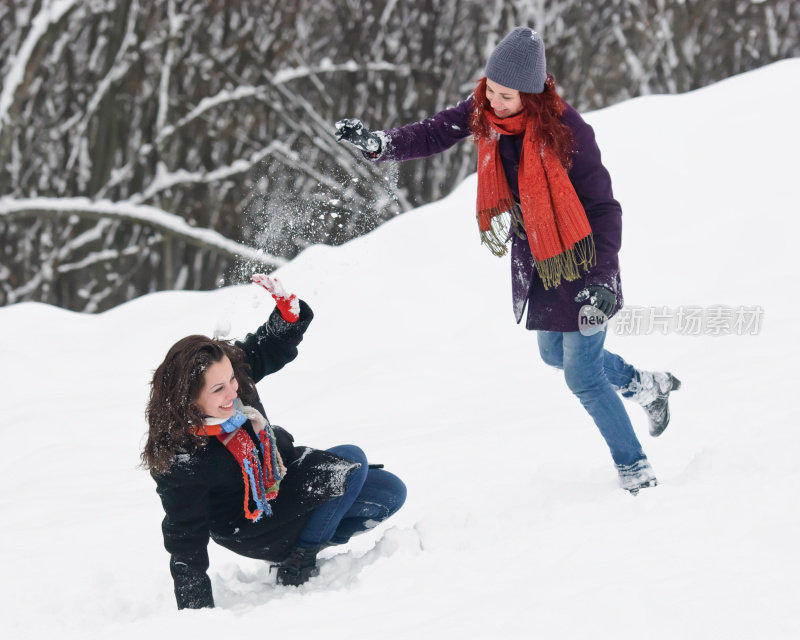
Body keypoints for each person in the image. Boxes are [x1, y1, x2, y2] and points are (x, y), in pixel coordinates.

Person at [334, 26, 680, 495]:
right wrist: (380, 144)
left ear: (532, 95)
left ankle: (635, 466)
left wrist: (602, 279)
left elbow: (604, 209)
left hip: (585, 264)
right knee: (554, 354)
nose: (493, 103)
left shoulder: (568, 132)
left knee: (583, 376)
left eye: (505, 96)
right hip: (542, 262)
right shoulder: (486, 111)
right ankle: (644, 385)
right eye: (490, 91)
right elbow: (435, 132)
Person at [142, 275, 406, 609]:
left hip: (279, 483)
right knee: (351, 463)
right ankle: (299, 557)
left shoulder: (232, 377)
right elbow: (185, 538)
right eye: (218, 389)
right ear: (188, 400)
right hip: (251, 525)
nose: (233, 392)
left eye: (231, 380)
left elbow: (261, 349)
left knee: (389, 493)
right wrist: (198, 615)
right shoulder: (182, 457)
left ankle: (311, 534)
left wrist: (288, 318)